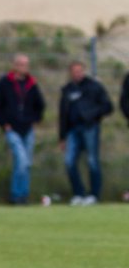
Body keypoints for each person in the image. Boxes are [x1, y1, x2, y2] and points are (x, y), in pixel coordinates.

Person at [0, 53, 45, 205]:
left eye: (26, 64)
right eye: (21, 64)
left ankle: (22, 196)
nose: (24, 67)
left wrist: (35, 120)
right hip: (12, 129)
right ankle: (16, 194)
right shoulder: (4, 83)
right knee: (21, 161)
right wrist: (4, 124)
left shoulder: (32, 84)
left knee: (25, 164)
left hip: (28, 128)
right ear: (14, 65)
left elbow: (40, 105)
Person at [57, 60, 112, 206]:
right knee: (69, 162)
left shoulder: (94, 87)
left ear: (84, 71)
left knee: (92, 161)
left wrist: (91, 115)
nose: (77, 73)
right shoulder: (67, 90)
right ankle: (78, 193)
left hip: (90, 128)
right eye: (74, 71)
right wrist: (62, 136)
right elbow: (62, 114)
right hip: (72, 130)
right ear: (70, 73)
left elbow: (107, 106)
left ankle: (94, 194)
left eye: (79, 70)